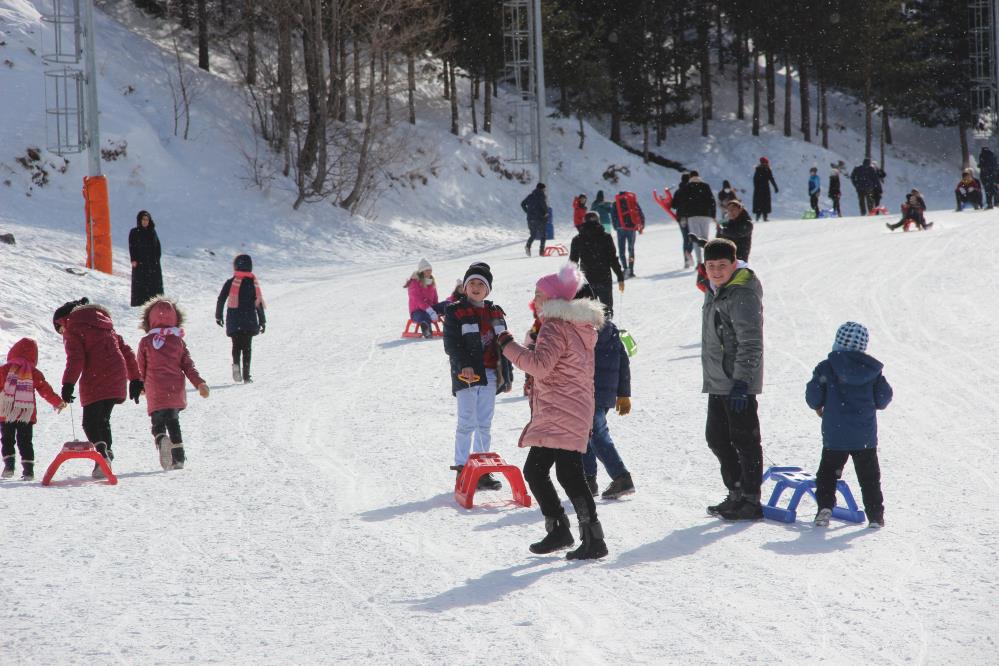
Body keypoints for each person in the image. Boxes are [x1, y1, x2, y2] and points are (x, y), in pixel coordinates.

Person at [497, 264, 608, 559]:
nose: (535, 300)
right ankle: (560, 530)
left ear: (554, 298)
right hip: (567, 408)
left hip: (562, 410)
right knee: (537, 470)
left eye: (539, 294)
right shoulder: (575, 325)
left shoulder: (555, 325)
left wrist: (507, 345)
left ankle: (592, 538)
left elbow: (540, 366)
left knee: (567, 474)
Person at [700, 239, 765, 521]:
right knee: (716, 438)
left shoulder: (742, 293)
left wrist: (741, 382)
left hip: (737, 382)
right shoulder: (716, 290)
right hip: (718, 379)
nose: (716, 271)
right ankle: (736, 491)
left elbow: (751, 341)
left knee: (744, 440)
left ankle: (751, 499)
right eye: (711, 266)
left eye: (722, 266)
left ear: (734, 264)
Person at [805, 322, 892, 528]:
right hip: (864, 437)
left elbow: (813, 396)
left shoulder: (827, 367)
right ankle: (875, 516)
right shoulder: (872, 371)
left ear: (838, 341)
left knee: (828, 473)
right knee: (869, 478)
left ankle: (825, 508)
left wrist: (818, 405)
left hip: (836, 435)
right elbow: (883, 398)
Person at [442, 262, 514, 490]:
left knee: (484, 423)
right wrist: (464, 365)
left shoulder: (496, 313)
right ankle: (462, 469)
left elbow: (506, 346)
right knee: (466, 422)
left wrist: (508, 376)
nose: (475, 287)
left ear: (487, 290)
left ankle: (482, 470)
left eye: (480, 284)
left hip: (491, 374)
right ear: (464, 287)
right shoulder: (455, 311)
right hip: (467, 376)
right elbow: (451, 344)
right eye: (471, 283)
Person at [54, 298, 141, 479]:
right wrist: (135, 379)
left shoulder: (73, 327)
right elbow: (126, 351)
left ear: (63, 320)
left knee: (90, 422)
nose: (62, 333)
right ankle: (106, 454)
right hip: (116, 376)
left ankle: (101, 455)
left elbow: (76, 359)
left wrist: (68, 384)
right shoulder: (105, 325)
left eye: (60, 329)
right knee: (102, 420)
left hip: (96, 377)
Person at [137, 298, 209, 471]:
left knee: (157, 422)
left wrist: (140, 384)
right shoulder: (178, 342)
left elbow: (140, 366)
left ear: (149, 319)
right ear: (176, 318)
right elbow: (188, 366)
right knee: (173, 422)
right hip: (174, 389)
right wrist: (199, 383)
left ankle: (161, 438)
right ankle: (178, 458)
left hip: (154, 389)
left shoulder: (146, 342)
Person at [582, 286, 634, 500]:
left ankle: (621, 477)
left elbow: (622, 360)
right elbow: (624, 361)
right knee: (585, 435)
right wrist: (623, 393)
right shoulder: (609, 328)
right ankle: (588, 480)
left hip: (587, 391)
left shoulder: (581, 329)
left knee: (596, 435)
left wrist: (624, 394)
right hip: (602, 394)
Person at [1, 338, 65, 480]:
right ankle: (28, 471)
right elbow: (45, 389)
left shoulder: (4, 370)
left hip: (6, 413)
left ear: (13, 352)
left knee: (7, 439)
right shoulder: (33, 372)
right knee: (25, 442)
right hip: (26, 415)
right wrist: (57, 402)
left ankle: (9, 466)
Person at [215, 254, 266, 384]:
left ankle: (236, 366)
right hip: (249, 320)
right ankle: (247, 376)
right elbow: (258, 303)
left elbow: (221, 299)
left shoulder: (230, 282)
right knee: (247, 347)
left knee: (236, 346)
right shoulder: (252, 283)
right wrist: (262, 320)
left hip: (234, 320)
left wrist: (218, 315)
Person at [569, 212, 625, 317]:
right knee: (606, 310)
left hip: (587, 279)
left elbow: (573, 263)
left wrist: (570, 281)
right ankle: (606, 324)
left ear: (584, 222)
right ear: (598, 221)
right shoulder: (606, 237)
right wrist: (620, 277)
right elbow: (613, 259)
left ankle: (593, 326)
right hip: (604, 278)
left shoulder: (577, 239)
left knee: (589, 313)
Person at [404, 258, 447, 338]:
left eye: (430, 270)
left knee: (447, 304)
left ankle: (453, 325)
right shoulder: (414, 282)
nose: (429, 272)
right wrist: (430, 311)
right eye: (426, 270)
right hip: (417, 311)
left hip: (430, 309)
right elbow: (417, 300)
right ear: (421, 271)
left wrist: (437, 312)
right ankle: (427, 330)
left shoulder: (431, 281)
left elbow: (435, 299)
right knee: (424, 316)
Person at [129, 210, 164, 307]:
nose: (145, 221)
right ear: (139, 220)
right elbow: (132, 247)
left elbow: (157, 247)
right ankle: (140, 303)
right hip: (140, 264)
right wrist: (133, 259)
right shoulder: (134, 232)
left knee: (153, 287)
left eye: (147, 219)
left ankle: (155, 304)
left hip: (152, 264)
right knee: (140, 285)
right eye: (143, 219)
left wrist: (156, 260)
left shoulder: (152, 232)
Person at [681, 170, 716, 265]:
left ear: (690, 177)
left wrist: (684, 216)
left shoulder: (687, 187)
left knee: (695, 239)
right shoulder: (705, 186)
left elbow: (683, 203)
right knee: (705, 238)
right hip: (705, 215)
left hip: (692, 216)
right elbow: (712, 201)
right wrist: (713, 215)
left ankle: (699, 262)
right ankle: (706, 260)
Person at [613, 192, 645, 278]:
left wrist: (616, 226)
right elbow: (640, 213)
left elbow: (613, 215)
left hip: (620, 228)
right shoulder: (632, 201)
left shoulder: (616, 203)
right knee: (631, 250)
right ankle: (631, 270)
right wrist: (641, 226)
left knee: (621, 250)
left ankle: (625, 268)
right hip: (631, 228)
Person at [521, 183, 548, 257]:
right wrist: (546, 213)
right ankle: (541, 252)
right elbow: (544, 207)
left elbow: (522, 204)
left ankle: (528, 246)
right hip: (539, 219)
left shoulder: (531, 196)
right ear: (542, 189)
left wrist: (528, 212)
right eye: (544, 189)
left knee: (533, 235)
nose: (545, 190)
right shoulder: (541, 196)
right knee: (543, 235)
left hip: (530, 219)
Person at [674, 173, 694, 268]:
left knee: (685, 238)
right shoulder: (692, 190)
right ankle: (688, 252)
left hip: (681, 217)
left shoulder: (678, 191)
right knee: (693, 237)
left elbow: (673, 205)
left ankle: (686, 260)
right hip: (691, 216)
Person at [752, 157, 779, 221]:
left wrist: (775, 187)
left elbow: (771, 179)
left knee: (761, 203)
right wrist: (775, 187)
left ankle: (762, 217)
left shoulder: (765, 169)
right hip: (762, 189)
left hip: (761, 189)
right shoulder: (762, 169)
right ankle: (760, 217)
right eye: (766, 162)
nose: (766, 164)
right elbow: (755, 180)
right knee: (763, 203)